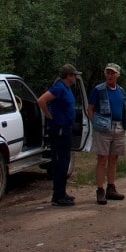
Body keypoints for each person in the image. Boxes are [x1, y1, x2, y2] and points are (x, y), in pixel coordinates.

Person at [38, 63, 81, 206]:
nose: (75, 77)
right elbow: (41, 100)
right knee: (60, 162)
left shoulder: (66, 89)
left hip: (66, 128)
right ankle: (57, 196)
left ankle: (62, 193)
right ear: (69, 76)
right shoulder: (59, 88)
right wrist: (49, 116)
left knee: (64, 161)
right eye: (74, 75)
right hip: (59, 129)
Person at [87, 62, 126, 205]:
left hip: (119, 127)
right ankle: (100, 190)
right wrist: (95, 124)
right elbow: (90, 108)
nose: (110, 75)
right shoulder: (99, 90)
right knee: (102, 159)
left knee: (113, 159)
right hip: (104, 128)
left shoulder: (121, 91)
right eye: (108, 73)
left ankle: (111, 188)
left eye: (113, 73)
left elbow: (125, 107)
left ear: (118, 75)